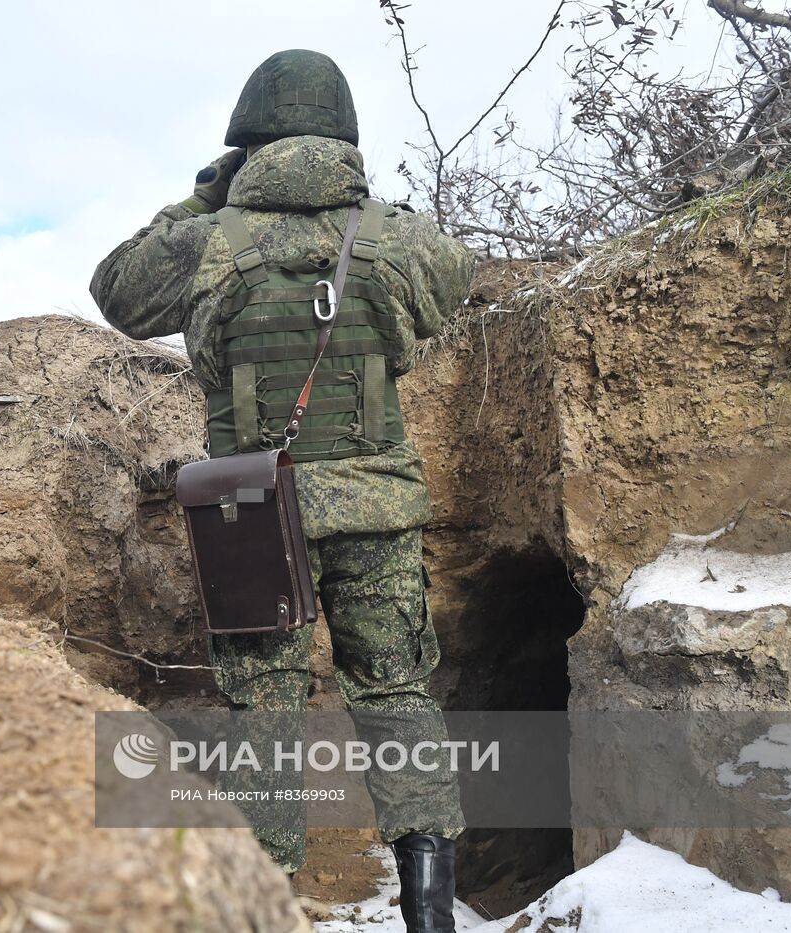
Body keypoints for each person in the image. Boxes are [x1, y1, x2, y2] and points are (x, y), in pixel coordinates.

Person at [90, 49, 474, 933]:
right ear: (342, 132)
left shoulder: (204, 240)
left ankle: (266, 910)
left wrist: (200, 198)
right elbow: (453, 279)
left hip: (255, 514)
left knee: (264, 705)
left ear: (245, 140)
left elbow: (116, 288)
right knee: (396, 693)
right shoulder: (397, 237)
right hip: (377, 507)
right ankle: (431, 919)